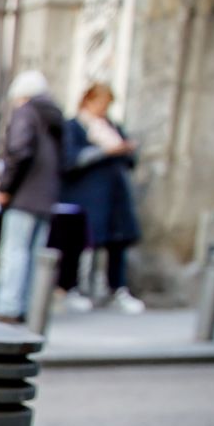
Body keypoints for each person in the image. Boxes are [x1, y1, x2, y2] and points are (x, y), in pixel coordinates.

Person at [62, 82, 145, 313]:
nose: (103, 109)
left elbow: (129, 161)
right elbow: (70, 160)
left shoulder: (112, 126)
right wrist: (104, 150)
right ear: (87, 101)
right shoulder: (74, 127)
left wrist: (126, 149)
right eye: (100, 103)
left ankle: (116, 288)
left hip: (114, 196)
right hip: (84, 196)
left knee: (117, 241)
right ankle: (73, 288)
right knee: (80, 242)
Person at [0, 70, 65, 323]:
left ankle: (8, 307)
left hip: (24, 194)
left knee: (15, 251)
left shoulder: (26, 113)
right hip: (47, 195)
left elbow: (19, 151)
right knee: (35, 255)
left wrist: (5, 187)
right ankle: (31, 307)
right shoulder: (55, 116)